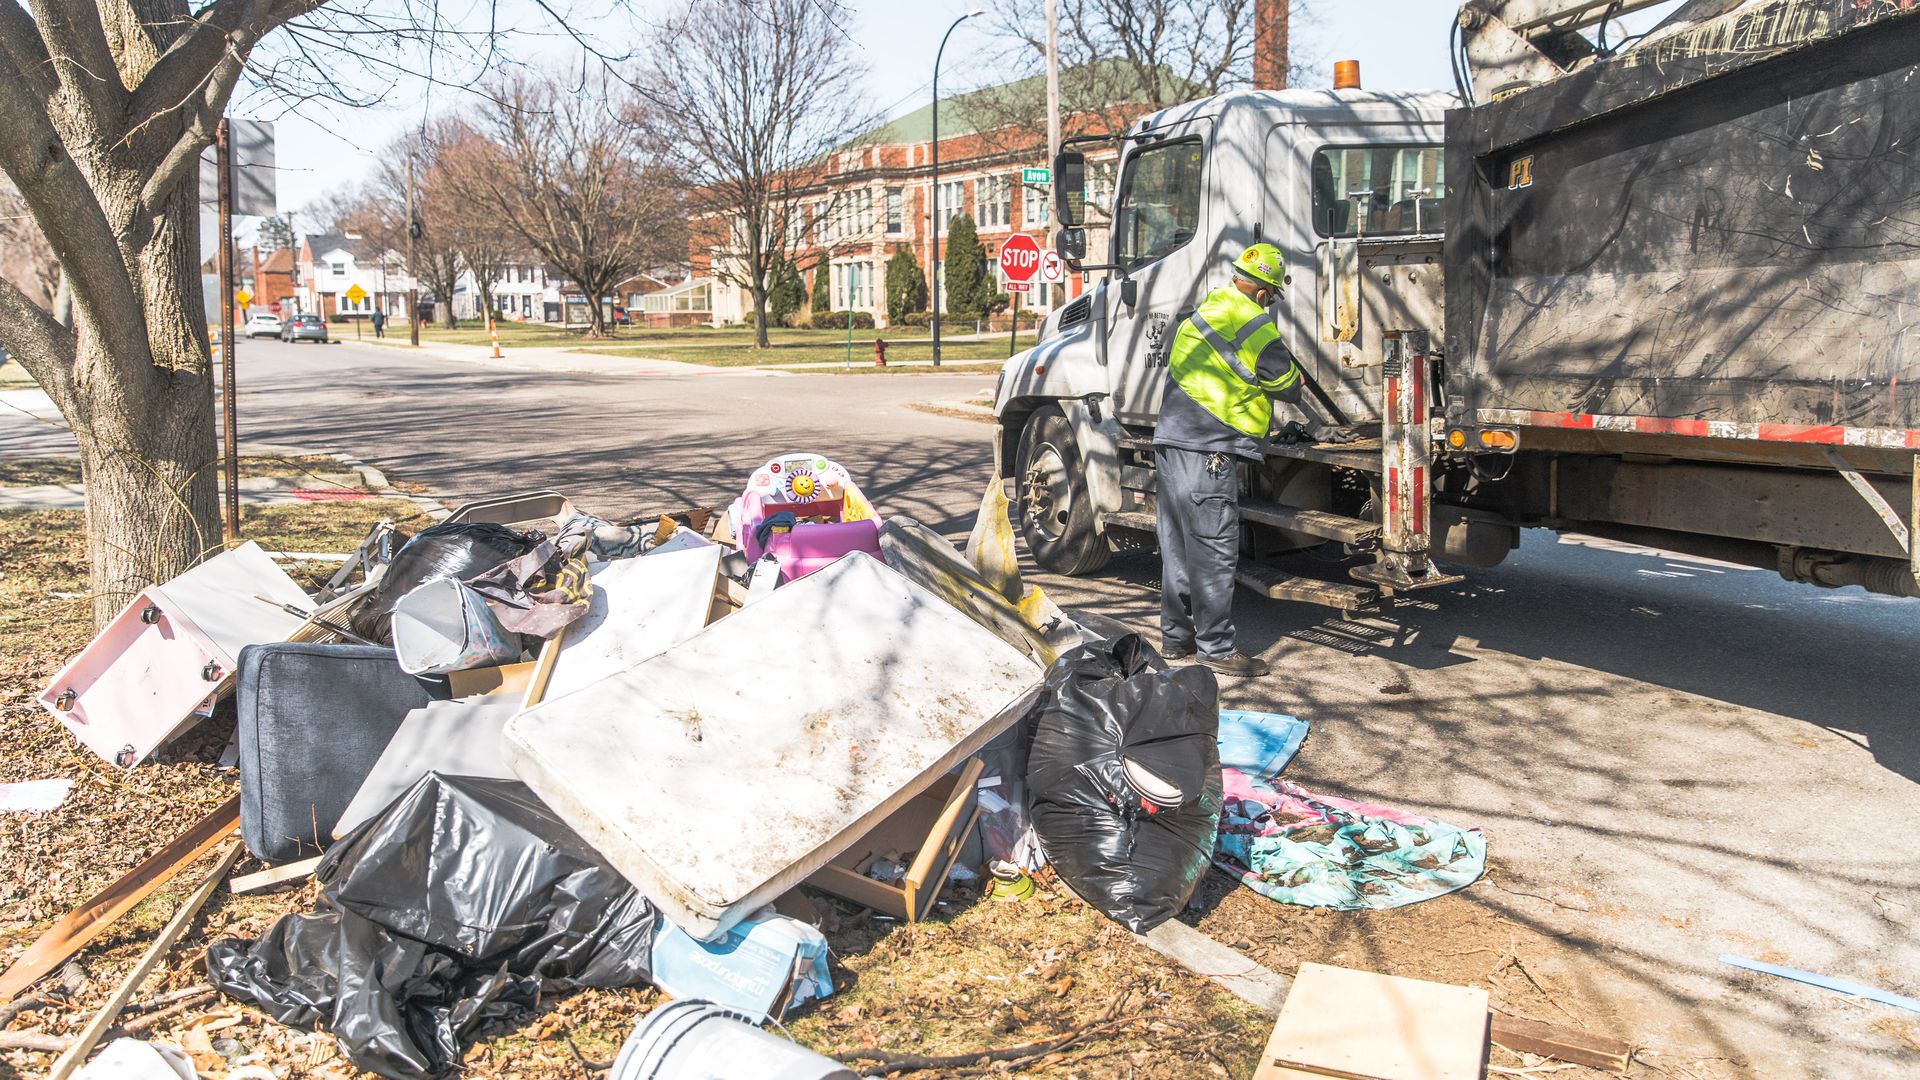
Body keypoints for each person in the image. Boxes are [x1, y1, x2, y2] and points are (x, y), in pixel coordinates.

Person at [1152, 242, 1303, 678]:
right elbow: (1288, 384)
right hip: (1210, 449)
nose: (1270, 304)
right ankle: (1216, 649)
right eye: (1272, 297)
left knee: (1177, 547)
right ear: (1262, 292)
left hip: (1171, 443)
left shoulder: (1201, 314)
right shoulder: (1253, 321)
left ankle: (1176, 640)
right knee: (1213, 551)